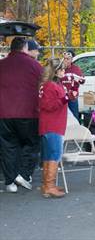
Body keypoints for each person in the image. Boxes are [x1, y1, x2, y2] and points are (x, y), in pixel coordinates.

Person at [0, 37, 43, 193]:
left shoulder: (2, 64)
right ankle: (23, 175)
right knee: (31, 144)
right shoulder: (35, 65)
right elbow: (44, 85)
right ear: (25, 48)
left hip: (4, 113)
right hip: (28, 112)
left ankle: (10, 182)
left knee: (8, 147)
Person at [39, 58, 69, 198]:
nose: (64, 71)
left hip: (50, 124)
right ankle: (49, 186)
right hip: (53, 124)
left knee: (47, 155)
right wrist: (64, 99)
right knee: (55, 154)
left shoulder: (50, 85)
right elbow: (48, 106)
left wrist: (68, 97)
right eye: (62, 69)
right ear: (56, 71)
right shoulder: (50, 86)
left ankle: (47, 185)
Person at [62, 50, 85, 120]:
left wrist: (80, 80)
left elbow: (82, 81)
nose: (66, 61)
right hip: (62, 96)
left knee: (74, 116)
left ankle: (75, 128)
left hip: (72, 97)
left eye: (68, 59)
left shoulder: (76, 69)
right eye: (64, 58)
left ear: (72, 59)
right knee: (63, 116)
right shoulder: (59, 68)